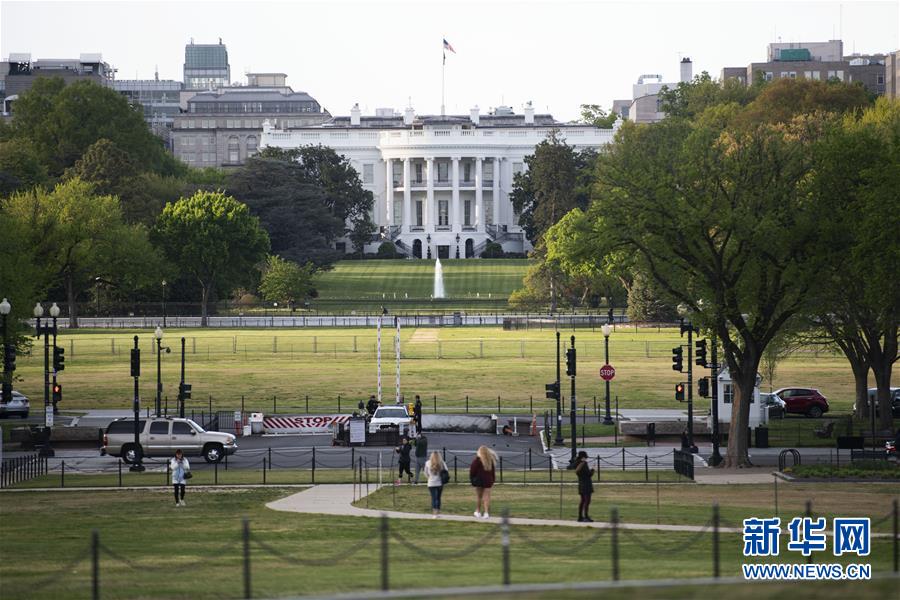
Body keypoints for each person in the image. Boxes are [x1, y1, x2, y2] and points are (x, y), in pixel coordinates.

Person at [469, 446, 497, 519]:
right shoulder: (490, 460)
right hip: (488, 481)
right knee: (487, 498)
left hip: (479, 480)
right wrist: (493, 480)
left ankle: (478, 511)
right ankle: (486, 513)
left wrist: (472, 479)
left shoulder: (477, 460)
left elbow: (472, 471)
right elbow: (493, 472)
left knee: (479, 497)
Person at [423, 450, 447, 517]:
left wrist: (429, 478)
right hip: (439, 483)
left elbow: (425, 473)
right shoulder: (442, 463)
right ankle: (438, 512)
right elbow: (446, 471)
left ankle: (434, 512)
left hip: (431, 483)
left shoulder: (428, 463)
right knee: (438, 498)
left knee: (434, 498)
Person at [575, 450, 595, 522]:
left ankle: (580, 517)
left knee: (582, 501)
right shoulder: (584, 464)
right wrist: (593, 469)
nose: (586, 458)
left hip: (581, 484)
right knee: (587, 501)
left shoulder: (577, 464)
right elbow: (589, 474)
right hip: (586, 484)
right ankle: (586, 516)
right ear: (583, 457)